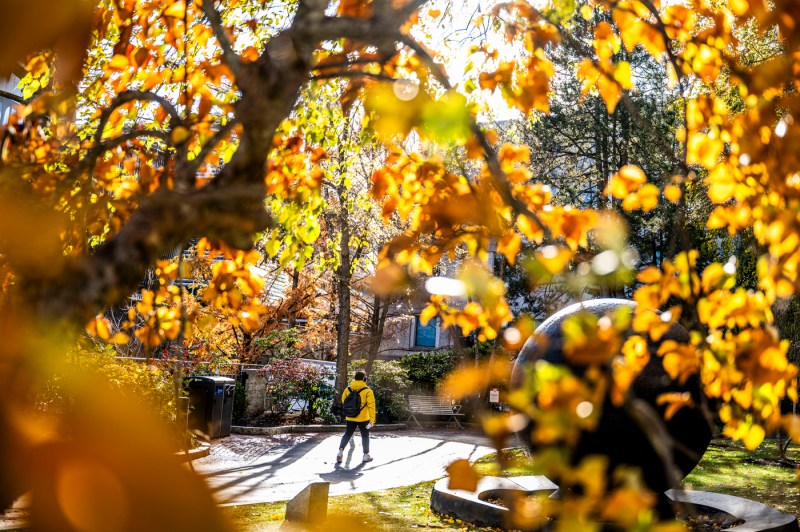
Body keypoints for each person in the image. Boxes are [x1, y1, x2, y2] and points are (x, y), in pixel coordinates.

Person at [336, 371, 376, 463]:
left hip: (350, 417)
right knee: (365, 435)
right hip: (364, 419)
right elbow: (371, 406)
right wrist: (372, 420)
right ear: (364, 379)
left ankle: (340, 452)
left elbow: (343, 401)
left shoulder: (348, 389)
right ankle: (366, 455)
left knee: (347, 434)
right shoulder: (368, 391)